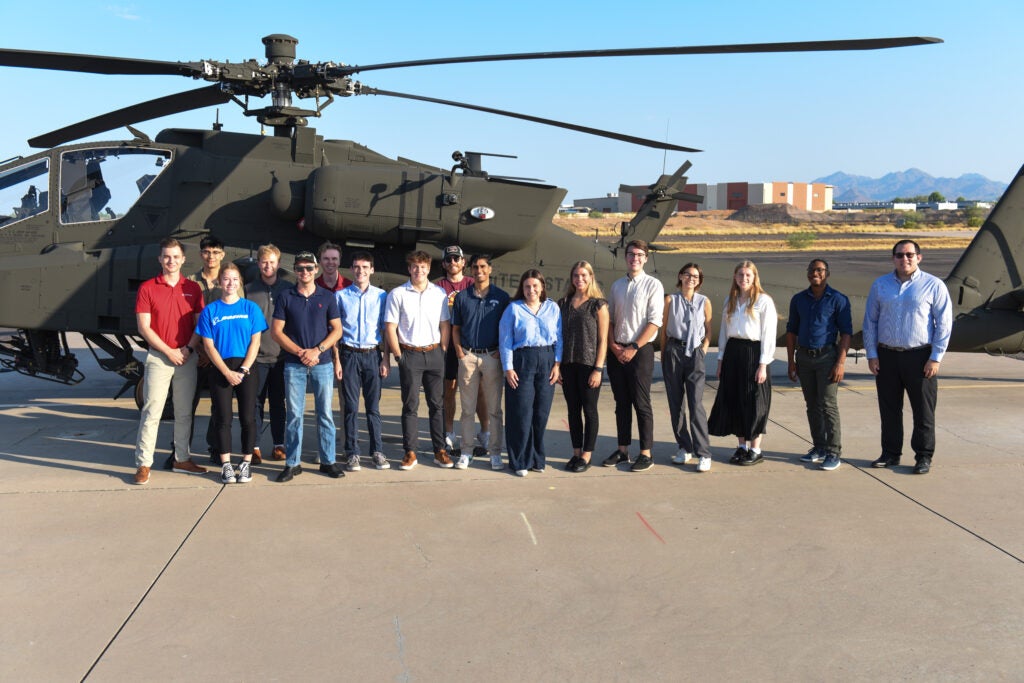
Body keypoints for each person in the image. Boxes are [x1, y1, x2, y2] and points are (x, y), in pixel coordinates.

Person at [863, 240, 952, 474]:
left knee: (923, 410)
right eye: (900, 255)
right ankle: (890, 453)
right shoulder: (880, 285)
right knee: (889, 409)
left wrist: (935, 357)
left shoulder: (934, 285)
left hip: (920, 356)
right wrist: (872, 354)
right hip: (887, 356)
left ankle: (923, 456)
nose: (905, 259)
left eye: (910, 255)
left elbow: (944, 324)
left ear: (919, 257)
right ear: (893, 258)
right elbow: (870, 321)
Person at [132, 238, 207, 484]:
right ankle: (144, 463)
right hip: (159, 357)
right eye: (166, 256)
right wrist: (169, 351)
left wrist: (187, 348)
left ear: (183, 260)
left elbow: (200, 324)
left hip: (186, 356)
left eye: (175, 257)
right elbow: (144, 327)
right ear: (160, 259)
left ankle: (182, 458)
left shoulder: (193, 288)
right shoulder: (147, 288)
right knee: (152, 411)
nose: (171, 261)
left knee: (184, 412)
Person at [270, 251, 345, 482]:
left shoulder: (327, 296)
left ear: (316, 270)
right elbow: (276, 331)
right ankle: (292, 463)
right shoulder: (285, 296)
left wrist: (318, 351)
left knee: (325, 414)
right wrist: (301, 352)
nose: (305, 272)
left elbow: (337, 330)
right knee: (294, 415)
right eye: (300, 268)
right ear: (295, 270)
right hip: (294, 364)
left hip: (321, 363)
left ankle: (328, 461)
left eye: (309, 268)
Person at [196, 263, 267, 484]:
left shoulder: (250, 308)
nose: (231, 283)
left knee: (248, 417)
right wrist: (226, 372)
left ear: (240, 283)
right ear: (219, 282)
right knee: (223, 418)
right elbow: (208, 346)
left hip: (247, 368)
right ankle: (226, 464)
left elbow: (256, 342)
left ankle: (245, 462)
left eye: (235, 279)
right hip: (220, 369)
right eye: (226, 279)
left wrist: (244, 369)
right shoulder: (211, 311)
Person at [385, 250, 452, 470]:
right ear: (409, 268)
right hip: (410, 355)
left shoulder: (439, 293)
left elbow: (444, 324)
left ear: (429, 269)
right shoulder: (397, 294)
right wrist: (398, 356)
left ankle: (439, 450)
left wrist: (442, 350)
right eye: (415, 266)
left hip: (434, 354)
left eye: (423, 267)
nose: (419, 271)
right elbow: (390, 327)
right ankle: (410, 452)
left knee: (437, 405)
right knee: (410, 405)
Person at [708, 260, 778, 466]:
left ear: (755, 277)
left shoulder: (763, 301)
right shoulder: (731, 300)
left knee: (754, 401)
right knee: (735, 399)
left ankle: (756, 449)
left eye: (748, 275)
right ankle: (742, 446)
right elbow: (723, 332)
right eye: (740, 275)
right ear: (735, 278)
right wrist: (720, 359)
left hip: (753, 351)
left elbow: (768, 334)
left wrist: (763, 363)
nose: (744, 279)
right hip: (733, 351)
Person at [602, 240, 664, 472]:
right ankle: (623, 450)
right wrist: (614, 346)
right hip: (617, 350)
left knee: (641, 402)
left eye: (639, 255)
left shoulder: (653, 285)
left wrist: (633, 348)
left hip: (640, 351)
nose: (634, 258)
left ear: (645, 258)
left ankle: (646, 453)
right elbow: (611, 320)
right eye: (630, 254)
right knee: (621, 403)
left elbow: (654, 322)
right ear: (625, 257)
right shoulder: (617, 286)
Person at [785, 259, 853, 472]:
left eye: (820, 270)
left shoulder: (838, 300)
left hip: (827, 357)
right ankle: (819, 447)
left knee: (828, 404)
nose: (816, 273)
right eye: (812, 270)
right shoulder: (798, 300)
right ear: (807, 274)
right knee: (812, 404)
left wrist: (840, 363)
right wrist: (791, 362)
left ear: (827, 274)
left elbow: (846, 334)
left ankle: (834, 452)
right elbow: (791, 331)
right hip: (804, 357)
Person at [499, 269, 563, 477]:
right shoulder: (514, 309)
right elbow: (506, 340)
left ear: (542, 287)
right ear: (522, 288)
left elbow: (559, 337)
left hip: (546, 359)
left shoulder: (552, 308)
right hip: (522, 360)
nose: (531, 290)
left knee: (541, 413)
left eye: (535, 286)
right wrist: (508, 368)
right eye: (527, 286)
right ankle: (519, 461)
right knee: (521, 412)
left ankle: (537, 458)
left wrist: (557, 364)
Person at [451, 254, 510, 470]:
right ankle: (466, 451)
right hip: (468, 357)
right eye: (475, 267)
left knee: (494, 409)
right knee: (467, 409)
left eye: (483, 266)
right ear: (471, 270)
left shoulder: (501, 297)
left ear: (490, 269)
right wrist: (459, 352)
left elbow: (507, 329)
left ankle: (495, 453)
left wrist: (500, 352)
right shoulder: (462, 297)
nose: (479, 271)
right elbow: (455, 328)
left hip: (492, 357)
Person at [334, 250, 391, 472]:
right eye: (357, 267)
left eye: (365, 267)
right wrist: (337, 361)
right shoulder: (340, 296)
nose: (361, 271)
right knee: (350, 407)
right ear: (351, 269)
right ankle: (352, 452)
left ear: (372, 270)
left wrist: (385, 359)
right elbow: (335, 332)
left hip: (372, 355)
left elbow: (386, 330)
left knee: (373, 407)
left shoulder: (381, 296)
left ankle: (377, 451)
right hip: (349, 355)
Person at [659, 263, 713, 473]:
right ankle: (684, 446)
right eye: (688, 275)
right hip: (674, 349)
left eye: (696, 276)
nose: (692, 279)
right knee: (676, 403)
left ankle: (704, 453)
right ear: (680, 276)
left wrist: (703, 350)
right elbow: (664, 331)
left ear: (699, 281)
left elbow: (708, 329)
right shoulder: (670, 300)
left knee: (695, 403)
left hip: (695, 353)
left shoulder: (704, 301)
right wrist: (664, 356)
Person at [436, 244, 487, 453]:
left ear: (464, 262)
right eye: (449, 259)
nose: (453, 262)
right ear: (443, 264)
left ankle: (485, 432)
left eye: (457, 259)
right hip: (448, 347)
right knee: (449, 390)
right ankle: (448, 433)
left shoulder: (473, 285)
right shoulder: (437, 288)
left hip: (472, 346)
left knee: (479, 391)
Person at [558, 261, 608, 473]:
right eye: (576, 275)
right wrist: (557, 365)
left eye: (584, 275)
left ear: (591, 277)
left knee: (589, 410)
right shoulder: (564, 303)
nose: (580, 279)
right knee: (572, 410)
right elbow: (558, 336)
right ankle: (576, 452)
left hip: (589, 366)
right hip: (568, 364)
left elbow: (603, 340)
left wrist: (598, 369)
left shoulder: (598, 304)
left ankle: (587, 455)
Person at [248, 244, 291, 463]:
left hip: (281, 358)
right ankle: (254, 447)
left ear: (278, 264)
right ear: (258, 264)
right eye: (264, 262)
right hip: (257, 358)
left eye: (272, 262)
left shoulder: (288, 289)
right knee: (256, 403)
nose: (268, 266)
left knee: (277, 403)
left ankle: (278, 444)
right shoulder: (248, 290)